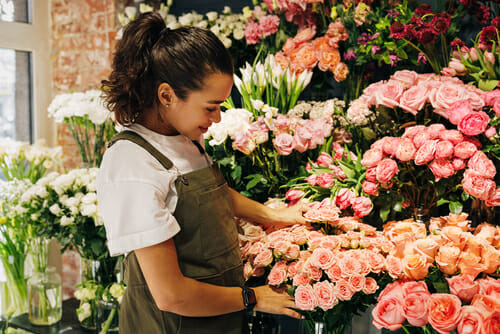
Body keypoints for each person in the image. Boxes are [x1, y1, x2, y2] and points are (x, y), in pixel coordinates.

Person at [97, 12, 307, 334]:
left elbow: (211, 195)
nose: (218, 118)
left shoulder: (182, 136)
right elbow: (172, 296)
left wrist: (274, 215)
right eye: (211, 107)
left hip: (218, 316)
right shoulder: (132, 165)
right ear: (166, 96)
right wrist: (252, 298)